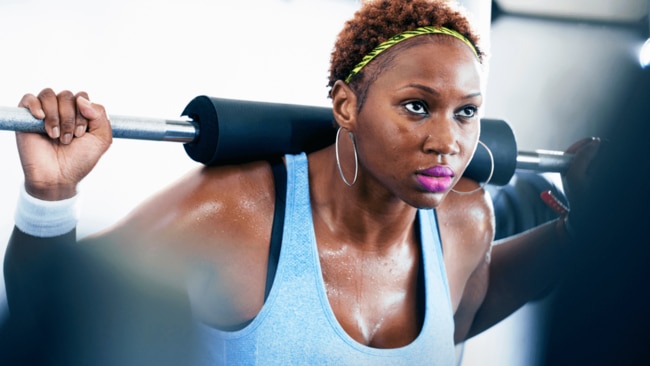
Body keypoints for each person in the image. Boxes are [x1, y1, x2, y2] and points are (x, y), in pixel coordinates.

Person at [3, 0, 601, 364]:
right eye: (417, 107)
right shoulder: (236, 212)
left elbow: (466, 305)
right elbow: (53, 310)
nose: (447, 140)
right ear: (346, 106)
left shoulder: (467, 218)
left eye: (466, 112)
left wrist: (590, 227)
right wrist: (51, 195)